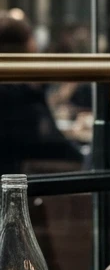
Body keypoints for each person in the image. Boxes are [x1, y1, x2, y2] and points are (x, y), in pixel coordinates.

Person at [0, 13, 82, 175]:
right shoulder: (22, 93)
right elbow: (51, 145)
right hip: (25, 177)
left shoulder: (20, 90)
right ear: (26, 45)